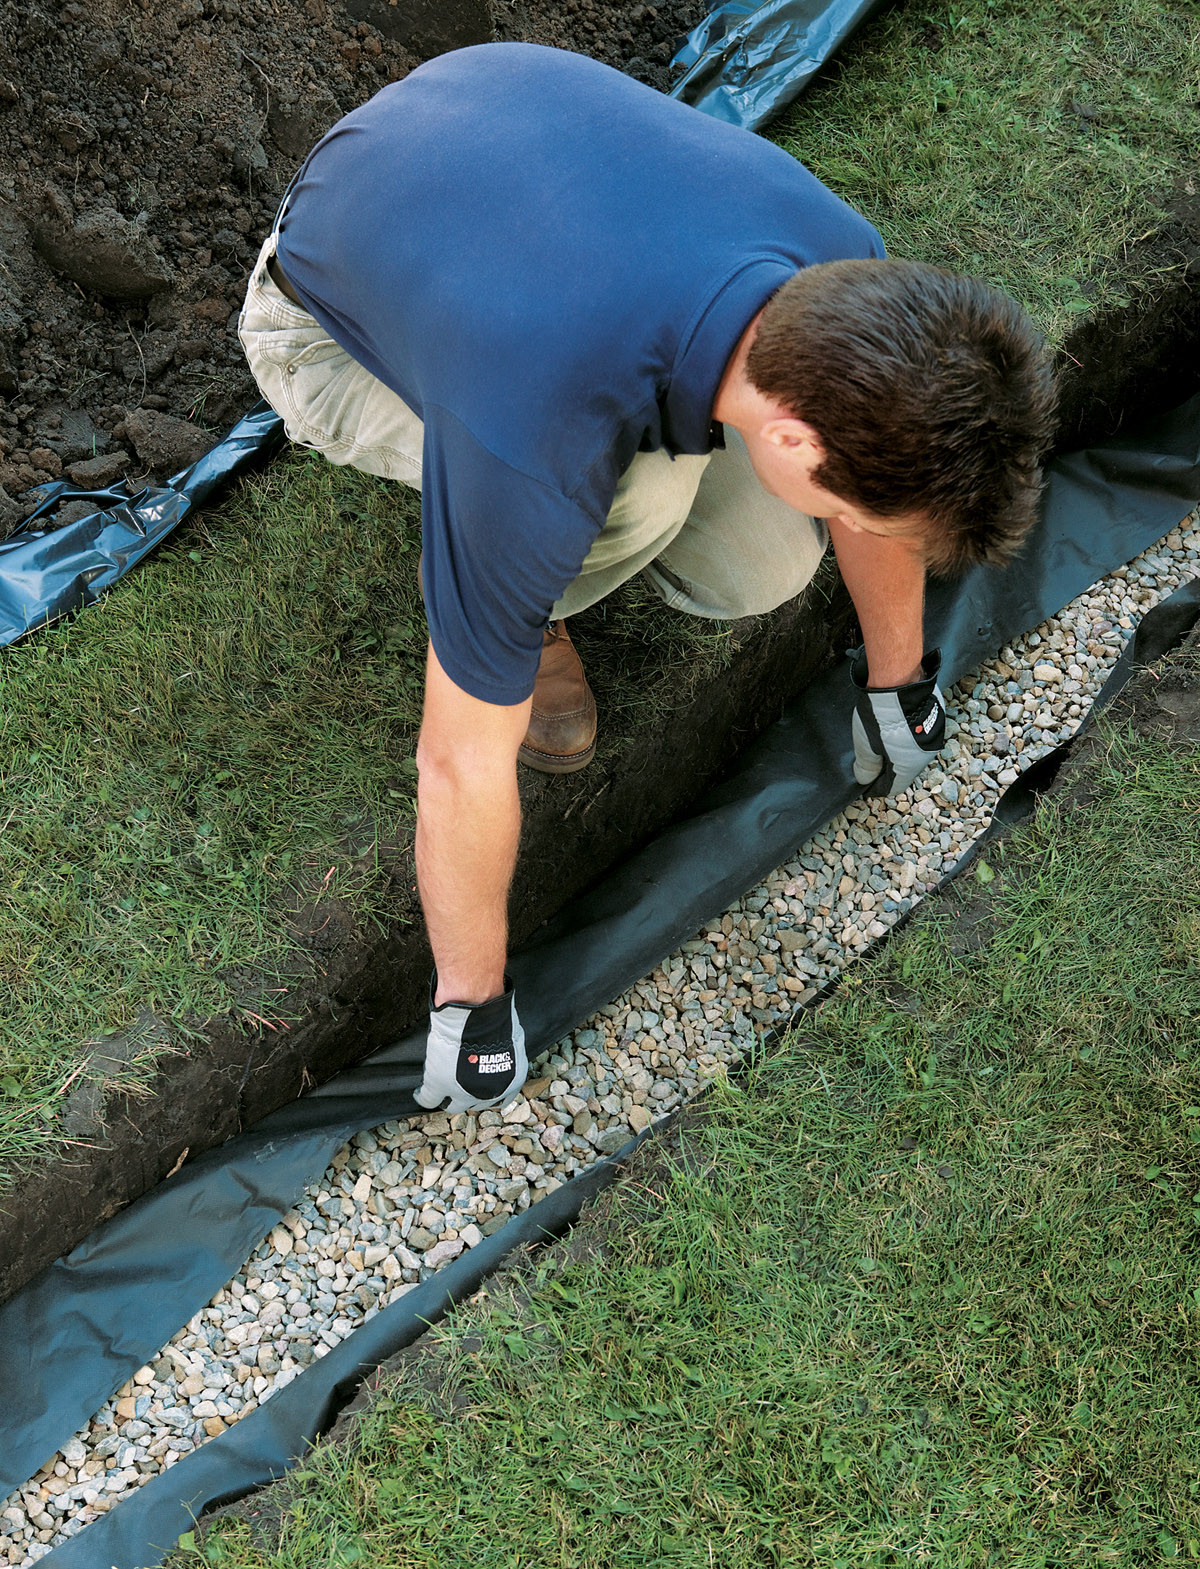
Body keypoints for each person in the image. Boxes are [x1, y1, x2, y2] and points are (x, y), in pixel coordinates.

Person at [239, 42, 1055, 1115]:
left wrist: (898, 682)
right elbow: (455, 763)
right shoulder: (541, 421)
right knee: (639, 498)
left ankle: (614, 523)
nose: (860, 528)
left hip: (518, 135)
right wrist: (468, 1010)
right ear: (802, 439)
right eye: (856, 507)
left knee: (760, 565)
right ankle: (529, 613)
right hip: (325, 317)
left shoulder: (850, 278)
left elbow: (878, 489)